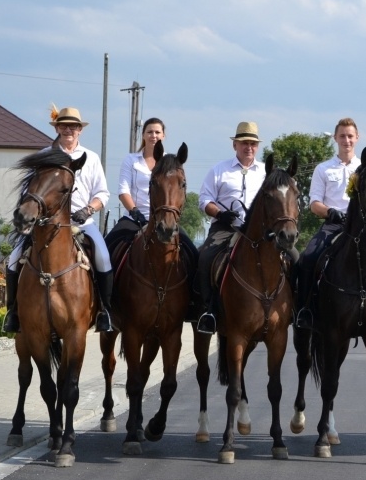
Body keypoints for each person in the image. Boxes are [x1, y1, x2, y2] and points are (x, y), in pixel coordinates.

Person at [3, 107, 114, 333]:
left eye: (73, 126)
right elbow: (29, 189)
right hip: (47, 224)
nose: (68, 129)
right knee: (14, 258)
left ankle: (104, 311)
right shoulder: (44, 156)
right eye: (64, 125)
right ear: (57, 128)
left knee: (103, 256)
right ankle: (13, 312)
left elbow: (103, 194)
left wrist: (88, 210)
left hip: (81, 223)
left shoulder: (91, 158)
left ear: (80, 130)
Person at [294, 117, 366, 333]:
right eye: (342, 136)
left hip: (364, 229)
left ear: (357, 138)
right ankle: (304, 311)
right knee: (306, 259)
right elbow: (314, 204)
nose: (346, 140)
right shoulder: (323, 169)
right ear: (335, 138)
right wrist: (330, 212)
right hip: (333, 226)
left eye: (350, 136)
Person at [105, 117, 198, 292]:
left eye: (157, 132)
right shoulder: (131, 160)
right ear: (143, 135)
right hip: (134, 218)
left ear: (163, 135)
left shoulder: (171, 163)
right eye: (149, 132)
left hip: (166, 219)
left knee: (192, 252)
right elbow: (123, 190)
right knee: (108, 247)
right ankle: (107, 301)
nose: (153, 135)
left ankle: (195, 302)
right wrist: (134, 211)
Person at [194, 121, 268, 335]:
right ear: (235, 145)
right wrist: (219, 213)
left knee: (291, 256)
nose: (249, 147)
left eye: (253, 143)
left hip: (257, 233)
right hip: (225, 228)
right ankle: (208, 311)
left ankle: (291, 309)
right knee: (205, 258)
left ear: (258, 146)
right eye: (244, 143)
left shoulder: (265, 172)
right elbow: (204, 200)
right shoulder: (219, 170)